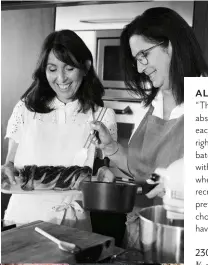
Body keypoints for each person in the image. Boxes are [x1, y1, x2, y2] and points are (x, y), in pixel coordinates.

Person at [89, 7, 208, 248]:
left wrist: (182, 183)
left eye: (144, 54)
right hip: (141, 234)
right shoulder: (151, 104)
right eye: (136, 60)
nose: (140, 67)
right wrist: (112, 148)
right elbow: (145, 172)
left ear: (171, 45)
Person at [1, 29, 117, 230]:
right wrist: (7, 169)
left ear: (86, 67)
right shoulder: (26, 109)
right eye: (52, 69)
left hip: (73, 221)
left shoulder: (101, 116)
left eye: (69, 68)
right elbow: (10, 163)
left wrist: (106, 173)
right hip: (23, 220)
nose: (61, 78)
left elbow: (106, 169)